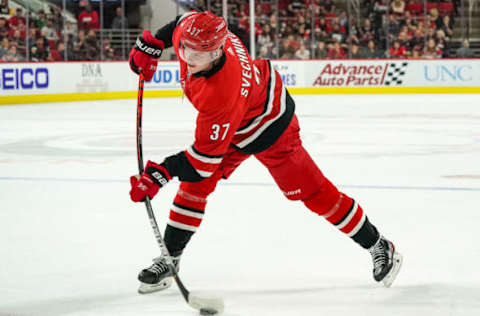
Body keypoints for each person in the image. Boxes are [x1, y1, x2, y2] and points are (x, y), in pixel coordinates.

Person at [128, 11, 403, 294]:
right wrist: (151, 44)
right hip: (234, 123)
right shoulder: (195, 35)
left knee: (314, 193)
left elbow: (201, 163)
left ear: (217, 52)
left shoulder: (221, 92)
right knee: (194, 188)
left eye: (197, 54)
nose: (186, 58)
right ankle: (171, 257)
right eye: (183, 49)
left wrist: (160, 174)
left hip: (269, 126)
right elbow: (181, 21)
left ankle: (379, 245)